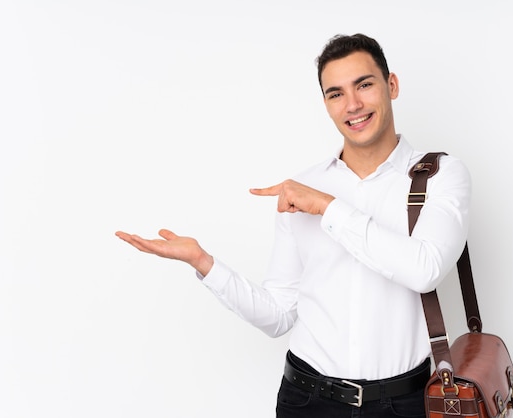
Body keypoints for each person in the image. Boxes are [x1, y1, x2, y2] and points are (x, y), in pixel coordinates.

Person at [116, 33, 471, 418]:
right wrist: (204, 263)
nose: (352, 105)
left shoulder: (440, 175)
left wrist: (328, 207)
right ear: (326, 104)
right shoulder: (303, 188)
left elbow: (425, 270)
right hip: (307, 400)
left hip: (404, 403)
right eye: (335, 94)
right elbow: (279, 315)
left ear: (391, 85)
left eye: (364, 85)